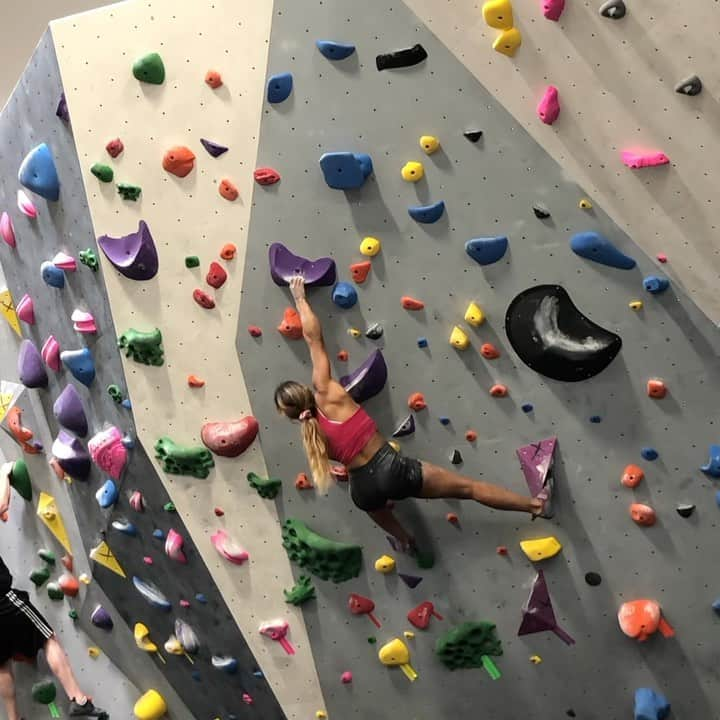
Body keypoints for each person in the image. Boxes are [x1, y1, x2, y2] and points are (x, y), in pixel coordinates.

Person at [274, 276, 554, 548]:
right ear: (304, 391)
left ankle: (404, 538)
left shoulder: (311, 436)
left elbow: (343, 457)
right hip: (390, 468)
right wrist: (300, 299)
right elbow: (313, 339)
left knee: (375, 509)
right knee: (469, 489)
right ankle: (537, 505)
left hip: (362, 489)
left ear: (288, 414)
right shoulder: (325, 390)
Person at [0, 493, 108, 720]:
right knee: (47, 639)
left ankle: (13, 718)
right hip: (5, 601)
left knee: (1, 666)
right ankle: (78, 700)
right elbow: (2, 502)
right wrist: (5, 473)